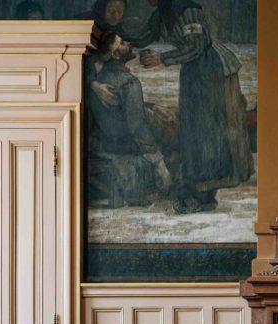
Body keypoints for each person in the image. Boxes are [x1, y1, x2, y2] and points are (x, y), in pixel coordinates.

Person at [133, 0, 254, 213]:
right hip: (193, 72)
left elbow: (197, 45)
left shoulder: (187, 10)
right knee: (194, 131)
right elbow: (144, 36)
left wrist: (162, 57)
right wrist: (112, 33)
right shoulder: (162, 13)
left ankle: (205, 193)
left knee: (209, 132)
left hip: (212, 70)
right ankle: (200, 192)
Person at [86, 32, 171, 207]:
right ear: (116, 54)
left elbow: (118, 109)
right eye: (123, 43)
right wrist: (158, 162)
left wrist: (152, 107)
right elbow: (137, 126)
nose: (129, 43)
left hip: (103, 142)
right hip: (124, 146)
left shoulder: (99, 80)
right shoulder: (129, 82)